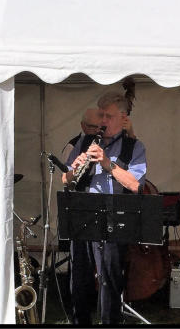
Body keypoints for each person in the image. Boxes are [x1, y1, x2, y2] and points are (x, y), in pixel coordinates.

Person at [62, 92, 146, 325]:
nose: (103, 121)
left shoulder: (134, 146)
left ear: (123, 118)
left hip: (114, 218)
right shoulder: (86, 142)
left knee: (109, 279)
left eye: (109, 116)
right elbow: (65, 179)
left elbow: (135, 184)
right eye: (101, 116)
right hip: (84, 215)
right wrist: (75, 170)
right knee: (79, 278)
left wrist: (107, 163)